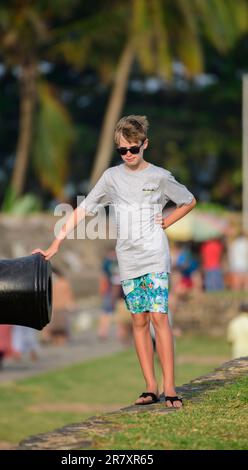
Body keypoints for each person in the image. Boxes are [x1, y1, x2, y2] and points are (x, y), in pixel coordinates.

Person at [32, 115, 196, 408]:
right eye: (123, 150)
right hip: (128, 258)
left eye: (134, 148)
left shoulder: (159, 176)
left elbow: (188, 200)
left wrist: (167, 221)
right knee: (138, 320)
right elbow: (84, 210)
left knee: (159, 316)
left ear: (145, 144)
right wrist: (56, 242)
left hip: (155, 255)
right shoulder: (111, 177)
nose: (129, 155)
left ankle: (171, 387)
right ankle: (151, 387)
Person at [98, 247, 121, 340]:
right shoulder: (108, 262)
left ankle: (119, 332)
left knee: (116, 310)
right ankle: (103, 331)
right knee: (107, 310)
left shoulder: (108, 262)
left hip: (118, 287)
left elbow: (103, 276)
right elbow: (103, 277)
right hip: (112, 288)